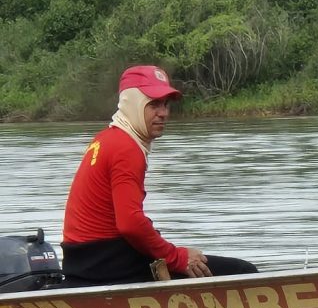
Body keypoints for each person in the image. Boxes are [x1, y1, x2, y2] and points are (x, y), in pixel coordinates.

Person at [61, 65, 258, 287]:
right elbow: (130, 224)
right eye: (153, 104)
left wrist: (166, 250)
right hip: (106, 265)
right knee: (243, 271)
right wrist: (178, 258)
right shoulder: (126, 148)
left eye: (166, 104)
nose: (163, 113)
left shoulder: (106, 138)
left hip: (85, 260)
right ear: (133, 104)